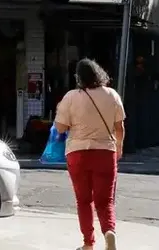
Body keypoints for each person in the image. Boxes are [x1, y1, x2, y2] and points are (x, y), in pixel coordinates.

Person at [54, 59, 126, 250]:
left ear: (79, 77)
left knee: (84, 201)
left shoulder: (70, 97)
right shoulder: (112, 95)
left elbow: (60, 128)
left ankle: (88, 243)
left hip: (78, 154)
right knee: (105, 201)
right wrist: (118, 147)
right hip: (105, 153)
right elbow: (120, 127)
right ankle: (109, 233)